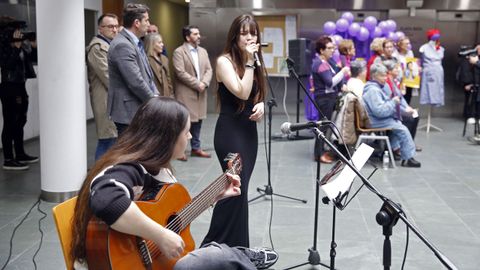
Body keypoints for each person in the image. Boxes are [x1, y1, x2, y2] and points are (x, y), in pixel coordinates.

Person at [70, 97, 278, 270]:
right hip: (117, 261)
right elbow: (107, 200)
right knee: (214, 256)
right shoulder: (127, 167)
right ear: (166, 137)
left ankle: (240, 256)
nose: (189, 136)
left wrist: (215, 196)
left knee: (210, 255)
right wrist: (159, 235)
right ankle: (244, 258)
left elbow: (171, 216)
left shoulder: (157, 169)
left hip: (150, 261)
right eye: (185, 131)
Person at [201, 14, 265, 248]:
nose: (249, 37)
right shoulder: (224, 62)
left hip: (249, 133)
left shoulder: (254, 59)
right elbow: (241, 92)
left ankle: (237, 247)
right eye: (244, 33)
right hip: (230, 132)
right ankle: (212, 245)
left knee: (241, 191)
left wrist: (261, 104)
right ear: (235, 35)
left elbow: (256, 93)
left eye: (253, 33)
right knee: (233, 189)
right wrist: (249, 61)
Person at [107, 3, 158, 136]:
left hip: (137, 108)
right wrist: (154, 101)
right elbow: (135, 81)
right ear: (136, 23)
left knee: (138, 154)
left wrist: (156, 95)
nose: (149, 23)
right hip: (128, 112)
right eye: (146, 20)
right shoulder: (122, 45)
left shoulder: (135, 42)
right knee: (129, 155)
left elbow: (147, 76)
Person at [362, 63, 421, 168]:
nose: (385, 78)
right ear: (374, 76)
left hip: (376, 119)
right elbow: (380, 111)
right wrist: (393, 102)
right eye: (382, 76)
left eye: (385, 75)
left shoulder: (376, 88)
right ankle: (407, 158)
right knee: (403, 130)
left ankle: (397, 152)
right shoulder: (373, 90)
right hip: (375, 121)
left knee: (399, 125)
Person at [0, 20, 39, 170]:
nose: (19, 33)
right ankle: (9, 159)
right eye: (16, 32)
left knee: (21, 120)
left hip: (20, 86)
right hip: (9, 87)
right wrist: (16, 47)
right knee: (11, 122)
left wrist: (31, 46)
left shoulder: (21, 45)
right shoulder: (4, 46)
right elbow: (6, 64)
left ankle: (20, 153)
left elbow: (32, 59)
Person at [173, 25, 213, 161]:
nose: (199, 36)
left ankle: (196, 148)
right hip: (186, 92)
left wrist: (204, 83)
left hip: (200, 92)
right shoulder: (179, 52)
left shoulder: (203, 51)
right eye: (195, 34)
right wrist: (197, 84)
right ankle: (180, 150)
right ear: (187, 37)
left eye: (199, 33)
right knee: (184, 122)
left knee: (198, 121)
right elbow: (180, 72)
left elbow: (209, 69)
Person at [311, 35, 350, 163]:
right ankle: (319, 154)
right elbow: (330, 82)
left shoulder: (329, 62)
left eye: (333, 48)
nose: (332, 50)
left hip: (330, 98)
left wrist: (342, 83)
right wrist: (343, 72)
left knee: (326, 125)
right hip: (324, 99)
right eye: (329, 48)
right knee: (323, 126)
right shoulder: (320, 64)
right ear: (321, 50)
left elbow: (337, 75)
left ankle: (323, 151)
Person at [86, 13, 119, 160]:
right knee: (107, 140)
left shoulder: (110, 45)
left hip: (113, 99)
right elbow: (109, 77)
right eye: (110, 26)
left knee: (113, 140)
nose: (114, 29)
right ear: (100, 29)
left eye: (116, 26)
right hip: (105, 100)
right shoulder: (97, 47)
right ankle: (98, 176)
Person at [382, 60, 421, 152]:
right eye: (396, 68)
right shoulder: (386, 83)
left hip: (396, 108)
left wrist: (407, 107)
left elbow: (400, 97)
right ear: (389, 70)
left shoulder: (395, 81)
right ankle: (398, 146)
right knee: (409, 118)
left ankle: (409, 143)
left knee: (415, 116)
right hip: (390, 110)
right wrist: (405, 110)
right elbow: (392, 99)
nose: (398, 70)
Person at [419, 28, 445, 107]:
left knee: (438, 87)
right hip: (428, 69)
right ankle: (427, 100)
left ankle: (437, 101)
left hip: (438, 70)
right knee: (427, 88)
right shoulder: (423, 48)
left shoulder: (441, 49)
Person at [144, 33, 174, 97]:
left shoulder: (164, 58)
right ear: (152, 44)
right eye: (159, 43)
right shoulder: (145, 59)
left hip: (166, 96)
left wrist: (172, 96)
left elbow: (168, 79)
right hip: (153, 96)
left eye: (162, 42)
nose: (162, 45)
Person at [393, 36, 418, 104]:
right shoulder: (395, 54)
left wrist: (416, 68)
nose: (408, 45)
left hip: (408, 80)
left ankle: (405, 113)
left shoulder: (410, 53)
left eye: (409, 43)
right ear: (400, 44)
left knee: (408, 99)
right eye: (406, 44)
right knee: (399, 99)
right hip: (398, 80)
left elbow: (412, 64)